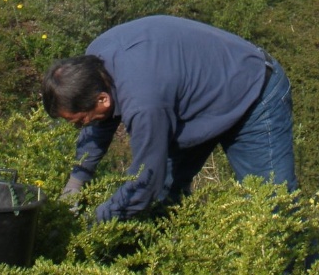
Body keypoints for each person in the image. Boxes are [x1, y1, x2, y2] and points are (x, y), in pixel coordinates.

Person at [44, 15, 297, 222]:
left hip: (253, 92)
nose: (80, 127)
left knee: (273, 210)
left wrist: (92, 224)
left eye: (79, 121)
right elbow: (98, 125)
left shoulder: (143, 101)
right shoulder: (94, 65)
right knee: (164, 200)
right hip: (196, 102)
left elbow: (145, 180)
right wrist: (76, 181)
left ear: (102, 99)